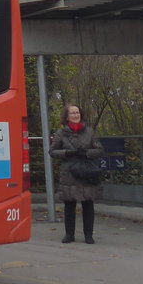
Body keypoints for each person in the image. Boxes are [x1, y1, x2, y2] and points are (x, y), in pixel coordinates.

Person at [49, 104, 105, 243]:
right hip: (70, 172)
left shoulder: (89, 132)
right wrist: (67, 153)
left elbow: (99, 150)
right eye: (72, 113)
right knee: (69, 205)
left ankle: (88, 235)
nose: (75, 115)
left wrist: (87, 153)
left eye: (77, 113)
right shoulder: (61, 133)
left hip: (86, 172)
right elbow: (52, 151)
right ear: (67, 117)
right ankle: (69, 234)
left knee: (88, 204)